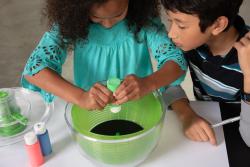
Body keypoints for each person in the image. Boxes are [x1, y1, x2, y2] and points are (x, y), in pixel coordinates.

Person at [21, 0, 187, 111]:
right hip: (93, 111)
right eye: (97, 18)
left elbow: (176, 60)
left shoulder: (145, 20)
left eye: (118, 15)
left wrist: (148, 83)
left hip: (140, 107)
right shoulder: (67, 24)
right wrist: (81, 97)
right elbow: (34, 69)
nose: (108, 24)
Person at [161, 0, 250, 147]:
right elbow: (168, 80)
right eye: (170, 21)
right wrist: (186, 115)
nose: (171, 34)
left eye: (181, 26)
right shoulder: (189, 43)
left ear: (218, 25)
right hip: (205, 126)